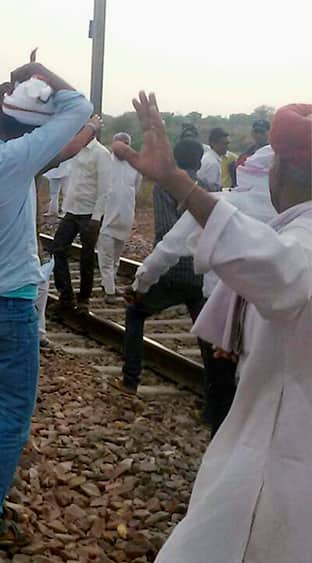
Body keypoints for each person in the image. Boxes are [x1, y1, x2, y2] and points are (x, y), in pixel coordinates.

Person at [114, 94, 312, 563]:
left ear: (279, 174)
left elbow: (283, 272)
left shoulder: (303, 240)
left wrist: (175, 181)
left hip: (280, 452)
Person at [0, 65, 93, 553]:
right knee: (12, 413)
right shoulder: (16, 162)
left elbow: (54, 135)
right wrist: (38, 72)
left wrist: (11, 98)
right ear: (29, 131)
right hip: (9, 305)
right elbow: (81, 108)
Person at [127, 145, 277, 434]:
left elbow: (168, 249)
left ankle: (219, 436)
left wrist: (140, 283)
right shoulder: (298, 216)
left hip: (224, 318)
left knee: (222, 389)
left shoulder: (219, 204)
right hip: (275, 318)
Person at [110, 139, 209, 397]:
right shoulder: (212, 188)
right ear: (199, 162)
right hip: (205, 273)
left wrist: (145, 276)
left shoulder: (164, 187)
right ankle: (215, 394)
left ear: (176, 159)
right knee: (209, 331)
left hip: (172, 270)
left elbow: (167, 232)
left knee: (135, 313)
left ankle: (130, 381)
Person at [49, 122, 108, 314]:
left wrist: (97, 218)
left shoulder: (101, 154)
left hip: (89, 212)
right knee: (57, 248)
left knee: (87, 256)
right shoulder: (75, 150)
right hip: (72, 210)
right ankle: (66, 295)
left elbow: (104, 189)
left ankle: (84, 300)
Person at [96, 132, 142, 302]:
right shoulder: (105, 161)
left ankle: (107, 284)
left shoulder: (135, 165)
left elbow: (136, 188)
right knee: (106, 256)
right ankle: (109, 290)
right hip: (107, 216)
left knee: (115, 257)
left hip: (125, 216)